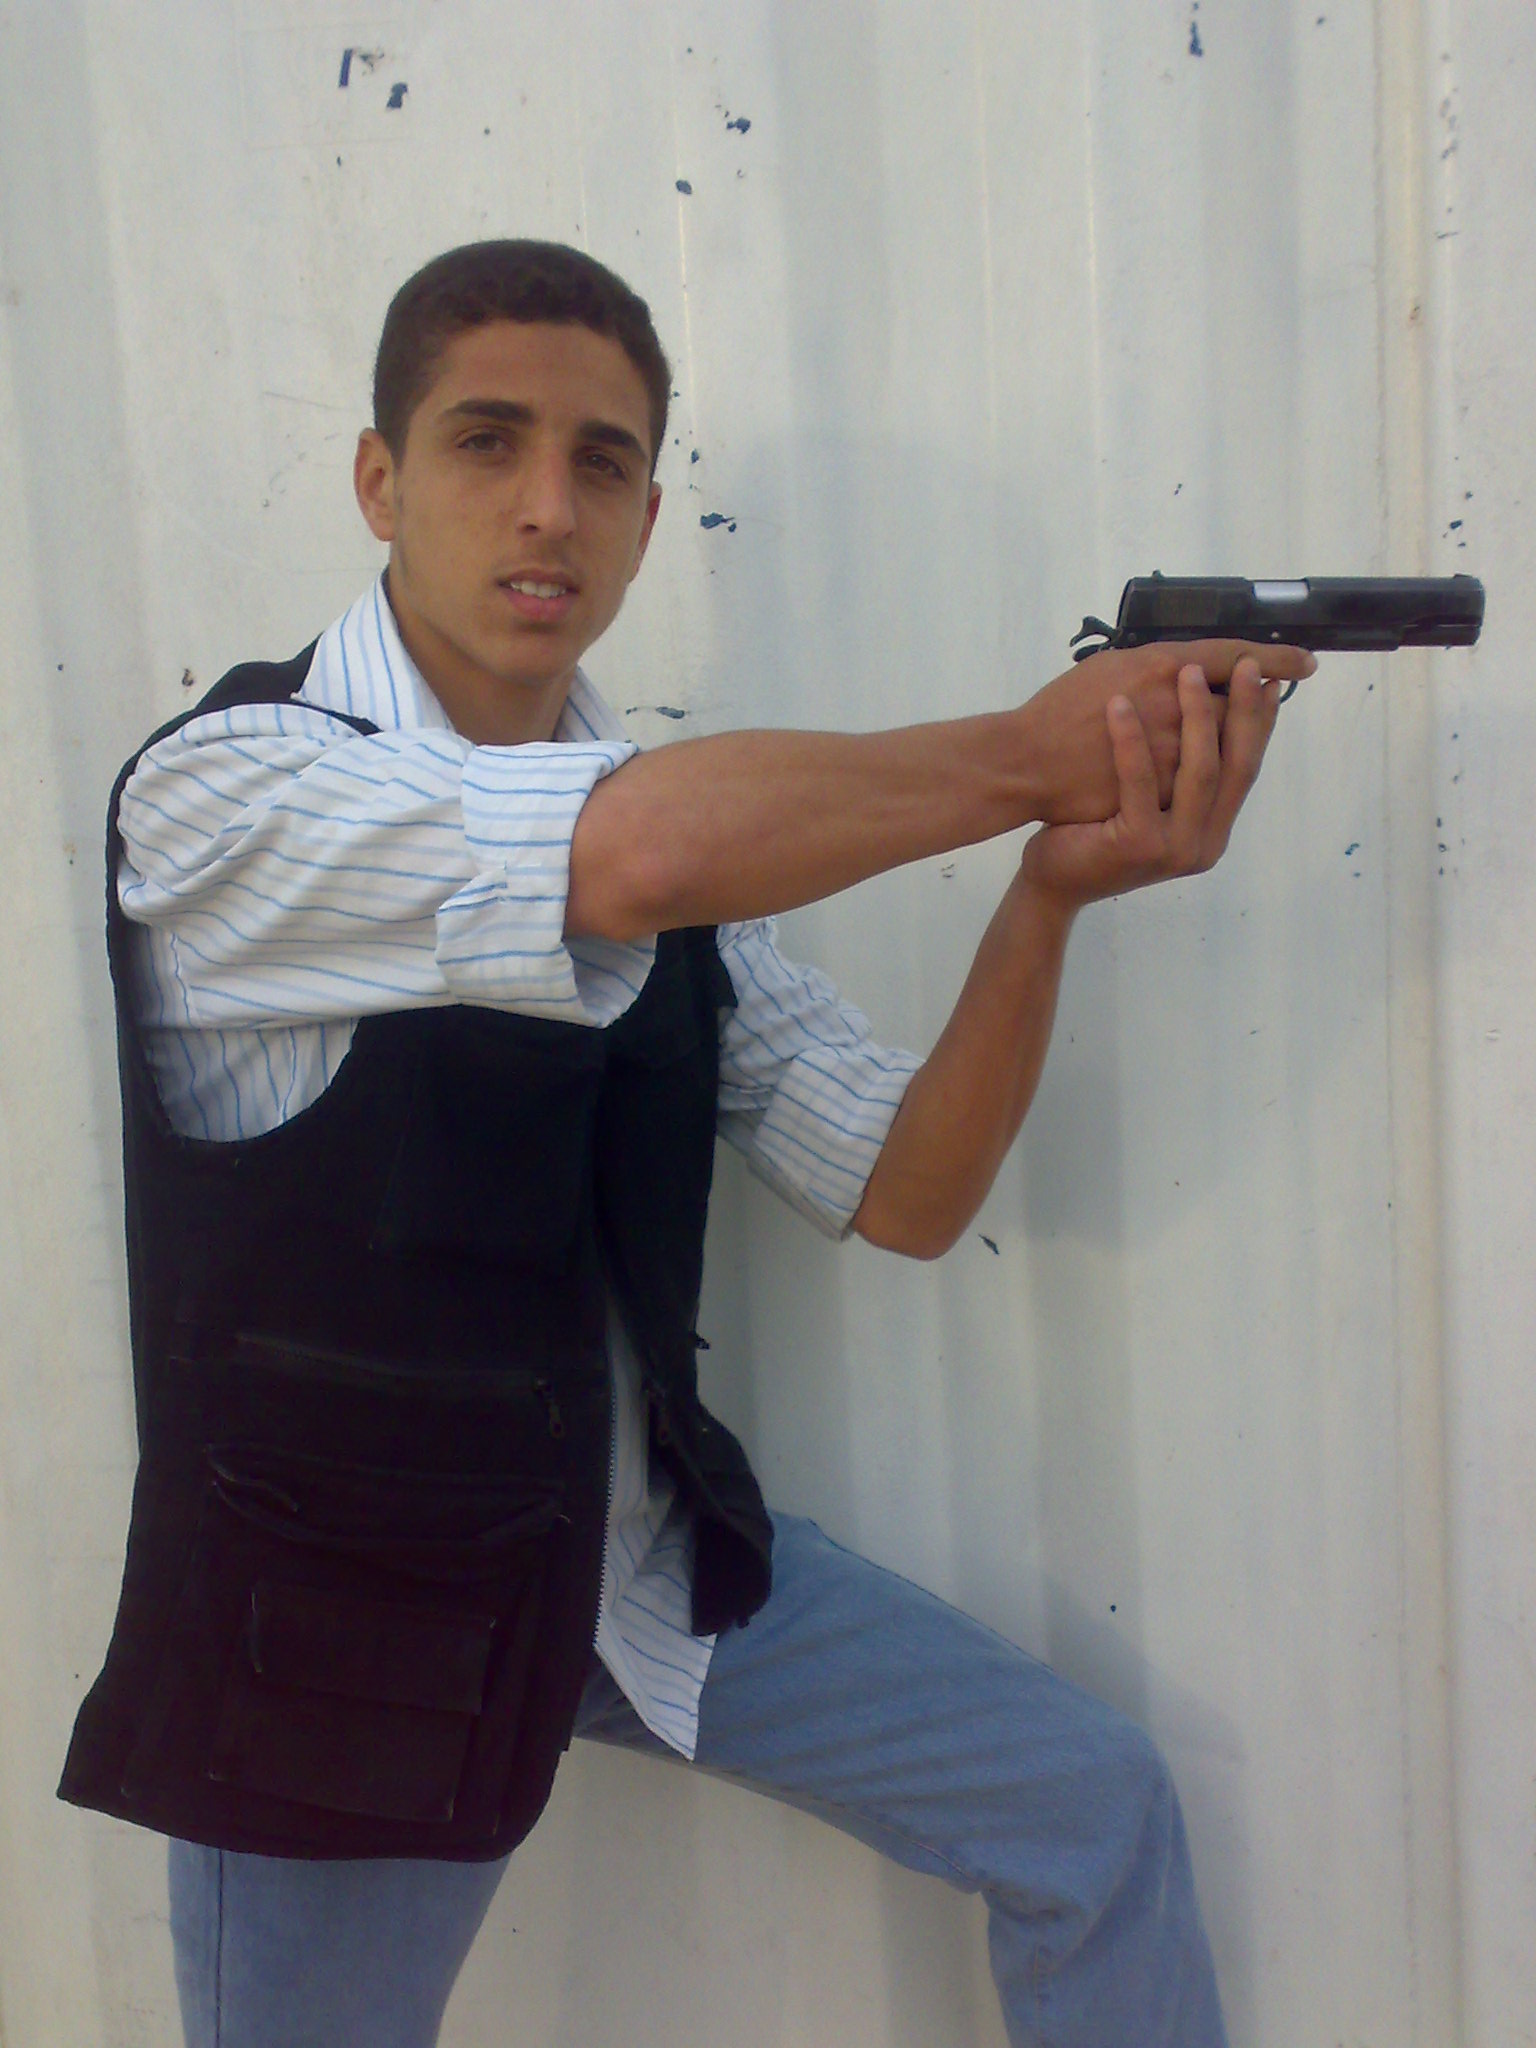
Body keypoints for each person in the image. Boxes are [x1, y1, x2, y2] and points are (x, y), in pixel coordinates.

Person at [59, 239, 1314, 2048]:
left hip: (639, 1573)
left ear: (649, 518)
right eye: (486, 441)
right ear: (378, 481)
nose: (546, 507)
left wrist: (1047, 894)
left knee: (1093, 1812)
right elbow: (618, 855)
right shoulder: (226, 791)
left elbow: (909, 1191)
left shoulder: (690, 852)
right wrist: (1035, 755)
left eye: (604, 462)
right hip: (351, 1628)